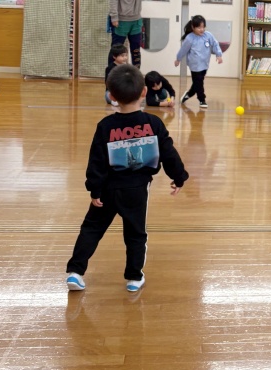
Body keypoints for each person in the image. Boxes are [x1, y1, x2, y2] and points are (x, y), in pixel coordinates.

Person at [66, 64, 189, 293]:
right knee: (135, 233)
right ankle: (134, 278)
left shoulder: (106, 126)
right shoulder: (153, 124)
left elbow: (97, 161)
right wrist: (179, 177)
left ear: (112, 96)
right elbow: (169, 153)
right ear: (144, 92)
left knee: (92, 229)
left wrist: (95, 190)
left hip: (107, 190)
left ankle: (75, 272)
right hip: (137, 190)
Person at [174, 15, 223, 108]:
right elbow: (183, 50)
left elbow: (215, 44)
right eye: (199, 27)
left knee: (197, 83)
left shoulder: (208, 35)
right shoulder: (189, 38)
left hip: (204, 65)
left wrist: (219, 54)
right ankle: (202, 100)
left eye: (203, 27)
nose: (202, 29)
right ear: (193, 27)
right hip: (194, 65)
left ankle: (188, 94)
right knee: (199, 82)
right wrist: (178, 59)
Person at [108, 0, 142, 68]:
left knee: (136, 50)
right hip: (121, 21)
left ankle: (135, 75)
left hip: (136, 20)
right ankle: (111, 75)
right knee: (116, 49)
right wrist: (114, 17)